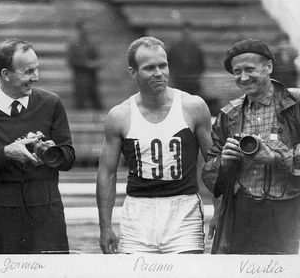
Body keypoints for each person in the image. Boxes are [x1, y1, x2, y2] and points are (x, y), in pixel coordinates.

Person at [96, 36, 212, 254]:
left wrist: (220, 209)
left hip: (183, 208)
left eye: (163, 65)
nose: (159, 73)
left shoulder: (193, 107)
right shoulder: (120, 115)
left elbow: (214, 163)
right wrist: (105, 227)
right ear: (133, 73)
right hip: (138, 211)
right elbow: (106, 173)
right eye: (149, 68)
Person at [0, 39, 75, 254]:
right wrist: (7, 153)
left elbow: (69, 157)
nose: (36, 77)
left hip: (46, 213)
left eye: (37, 69)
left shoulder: (51, 103)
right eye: (28, 72)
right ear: (6, 74)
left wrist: (53, 153)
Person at [202, 38, 300, 254]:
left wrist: (275, 158)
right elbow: (209, 172)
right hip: (243, 211)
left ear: (269, 67)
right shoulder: (229, 114)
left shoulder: (295, 104)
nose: (243, 77)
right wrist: (224, 162)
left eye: (249, 69)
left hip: (290, 210)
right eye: (237, 72)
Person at [67, 19, 103, 110]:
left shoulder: (91, 44)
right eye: (83, 29)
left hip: (92, 76)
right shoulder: (74, 44)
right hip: (80, 76)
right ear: (79, 30)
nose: (86, 31)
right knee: (80, 102)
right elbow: (71, 61)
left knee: (97, 103)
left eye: (87, 29)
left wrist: (97, 63)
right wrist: (86, 64)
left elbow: (97, 57)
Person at [168, 21, 205, 95]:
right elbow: (170, 62)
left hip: (193, 82)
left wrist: (196, 76)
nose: (186, 34)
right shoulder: (175, 47)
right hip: (178, 81)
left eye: (188, 32)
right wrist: (175, 75)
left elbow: (201, 65)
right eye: (184, 32)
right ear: (181, 32)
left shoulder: (196, 47)